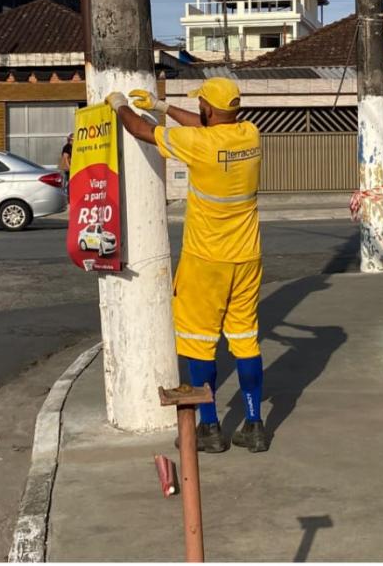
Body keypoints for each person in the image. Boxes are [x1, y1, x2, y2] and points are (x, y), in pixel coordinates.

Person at [106, 79, 268, 454]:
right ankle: (254, 425)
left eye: (201, 107)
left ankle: (209, 427)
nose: (200, 113)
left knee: (199, 342)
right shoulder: (249, 134)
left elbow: (140, 130)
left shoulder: (199, 145)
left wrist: (119, 105)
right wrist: (163, 106)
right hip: (247, 258)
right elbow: (205, 127)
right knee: (245, 340)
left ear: (208, 109)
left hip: (206, 261)